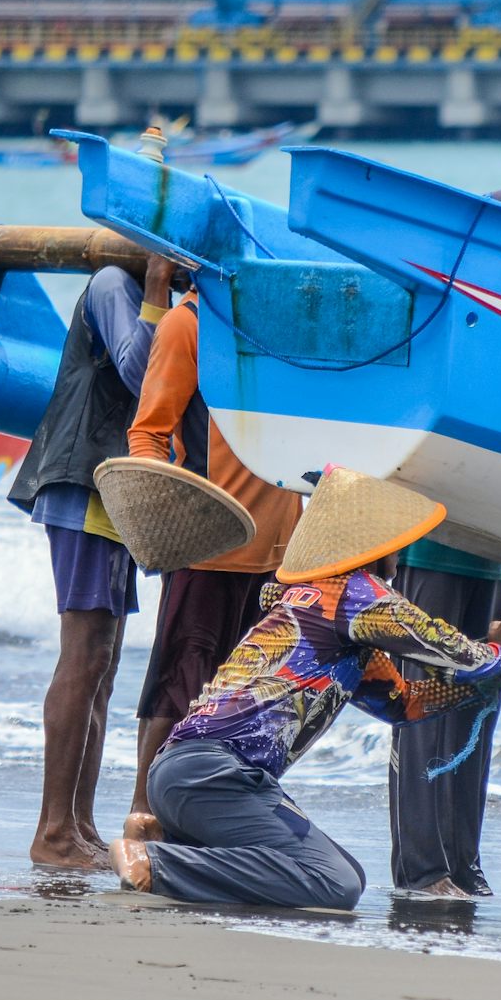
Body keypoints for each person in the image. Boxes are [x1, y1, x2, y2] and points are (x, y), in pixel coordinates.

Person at [108, 466, 501, 909]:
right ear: (379, 543)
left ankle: (165, 842)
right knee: (337, 882)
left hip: (183, 773)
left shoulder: (319, 607)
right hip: (215, 776)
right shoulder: (358, 595)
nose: (403, 549)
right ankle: (158, 863)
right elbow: (460, 656)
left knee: (343, 872)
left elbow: (406, 706)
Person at [388, 186, 501, 901]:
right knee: (426, 701)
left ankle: (463, 860)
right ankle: (424, 870)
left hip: (493, 545)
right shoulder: (451, 304)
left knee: (481, 701)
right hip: (429, 546)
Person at [9, 257, 174, 869]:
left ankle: (77, 824)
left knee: (102, 665)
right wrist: (157, 289)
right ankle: (51, 831)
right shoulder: (112, 285)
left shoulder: (129, 293)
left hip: (115, 492)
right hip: (84, 485)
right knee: (82, 657)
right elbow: (140, 372)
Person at [124, 282, 304, 821]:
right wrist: (160, 521)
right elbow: (148, 432)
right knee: (177, 692)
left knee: (252, 703)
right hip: (204, 546)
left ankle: (215, 822)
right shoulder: (187, 323)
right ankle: (143, 819)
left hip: (280, 555)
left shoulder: (280, 321)